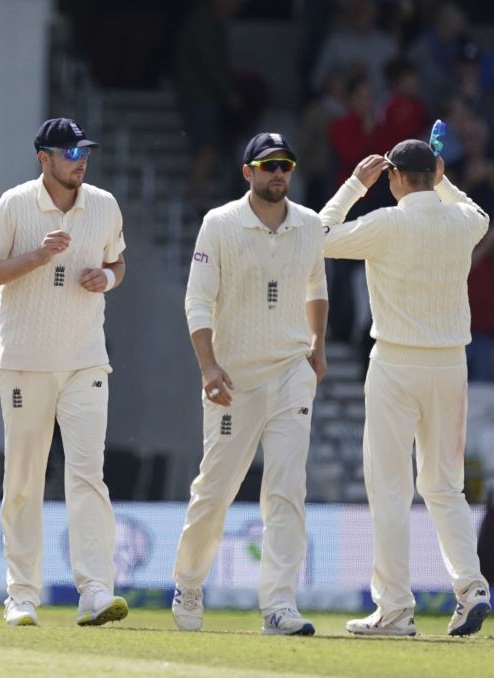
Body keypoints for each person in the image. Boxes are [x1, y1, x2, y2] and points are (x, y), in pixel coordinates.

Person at [320, 139, 492, 637]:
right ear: (433, 171)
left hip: (396, 363)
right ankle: (472, 588)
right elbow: (476, 210)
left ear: (394, 177)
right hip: (449, 365)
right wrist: (443, 178)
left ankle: (395, 609)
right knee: (444, 485)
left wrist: (355, 184)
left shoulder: (386, 223)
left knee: (391, 488)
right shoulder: (461, 223)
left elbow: (317, 234)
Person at [0, 117, 128, 627]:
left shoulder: (103, 205)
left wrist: (107, 277)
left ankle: (96, 591)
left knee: (88, 475)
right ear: (44, 158)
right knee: (24, 479)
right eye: (70, 153)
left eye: (84, 152)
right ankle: (21, 595)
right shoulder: (15, 204)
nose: (81, 160)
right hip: (25, 363)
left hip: (85, 360)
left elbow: (119, 263)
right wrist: (36, 256)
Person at [173, 132, 328, 636]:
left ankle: (279, 605)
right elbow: (197, 302)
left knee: (286, 490)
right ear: (248, 173)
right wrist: (209, 366)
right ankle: (190, 583)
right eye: (268, 166)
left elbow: (316, 288)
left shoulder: (307, 224)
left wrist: (317, 347)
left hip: (290, 372)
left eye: (285, 165)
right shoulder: (219, 223)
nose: (278, 173)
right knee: (215, 490)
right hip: (233, 378)